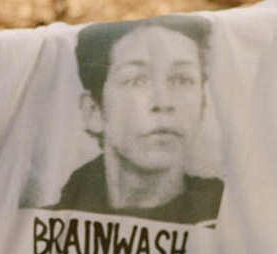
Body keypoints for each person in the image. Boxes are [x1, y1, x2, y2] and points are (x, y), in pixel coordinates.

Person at [51, 16, 224, 224]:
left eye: (182, 80)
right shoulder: (50, 227)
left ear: (202, 104)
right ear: (94, 111)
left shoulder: (234, 219)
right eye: (137, 80)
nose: (163, 102)